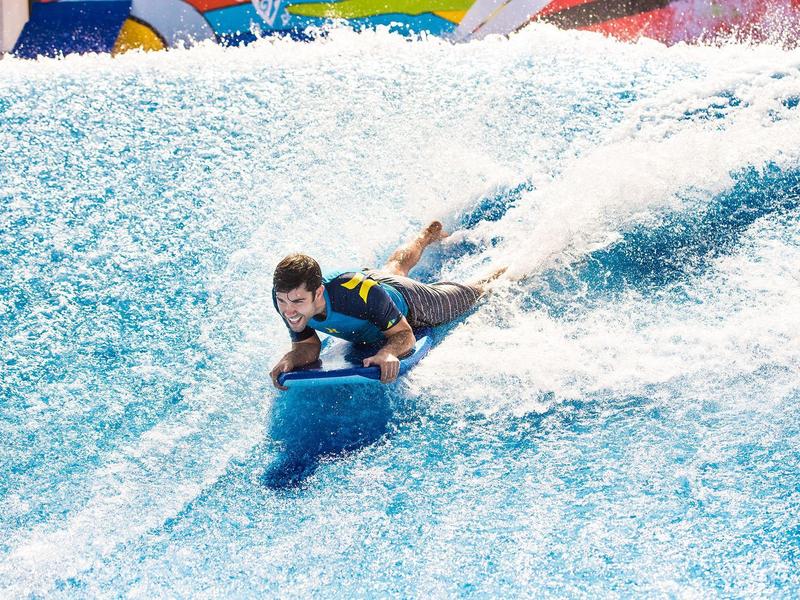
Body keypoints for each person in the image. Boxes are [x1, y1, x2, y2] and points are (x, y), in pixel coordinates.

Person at [270, 221, 504, 389]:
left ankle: (511, 269)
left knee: (476, 293)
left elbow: (405, 334)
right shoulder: (286, 296)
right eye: (283, 301)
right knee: (394, 267)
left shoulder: (355, 295)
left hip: (409, 302)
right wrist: (293, 358)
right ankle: (424, 237)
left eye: (298, 302)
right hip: (373, 289)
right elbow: (308, 345)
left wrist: (388, 353)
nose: (288, 311)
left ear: (318, 292)